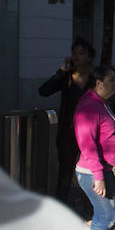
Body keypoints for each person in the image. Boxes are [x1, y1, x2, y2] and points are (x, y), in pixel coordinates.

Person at [37, 38, 96, 211]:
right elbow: (44, 91)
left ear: (89, 57)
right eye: (74, 53)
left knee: (90, 172)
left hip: (90, 133)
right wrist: (60, 72)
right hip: (68, 132)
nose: (76, 57)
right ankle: (60, 210)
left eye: (81, 53)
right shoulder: (66, 77)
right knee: (65, 171)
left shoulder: (95, 78)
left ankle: (91, 211)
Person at [72, 65, 115, 230]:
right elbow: (87, 145)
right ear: (98, 83)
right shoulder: (88, 108)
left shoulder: (101, 104)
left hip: (104, 170)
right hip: (92, 172)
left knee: (103, 216)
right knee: (107, 217)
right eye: (111, 80)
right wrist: (98, 176)